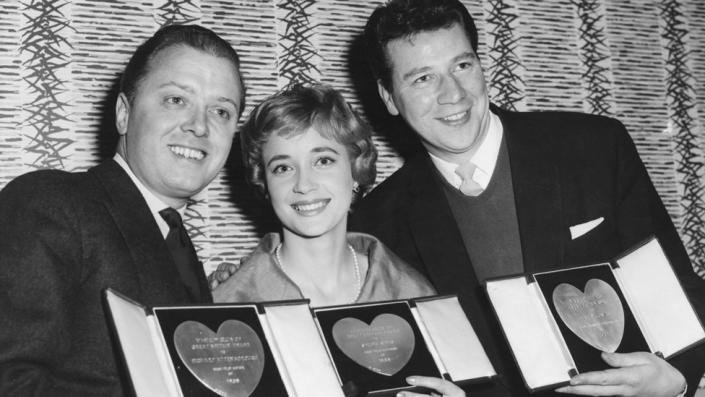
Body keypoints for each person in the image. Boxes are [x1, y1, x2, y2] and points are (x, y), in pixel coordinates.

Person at [349, 1, 705, 396]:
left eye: (462, 66)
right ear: (388, 98)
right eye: (422, 79)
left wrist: (675, 379)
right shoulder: (376, 221)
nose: (452, 94)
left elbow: (679, 287)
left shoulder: (595, 147)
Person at [0, 24, 244, 396]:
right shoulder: (50, 203)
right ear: (123, 114)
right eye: (176, 100)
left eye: (222, 111)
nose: (199, 126)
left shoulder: (175, 241)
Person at [212, 84, 462, 397]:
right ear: (264, 182)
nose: (304, 184)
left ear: (356, 169)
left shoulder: (414, 293)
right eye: (283, 167)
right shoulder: (229, 306)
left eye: (324, 160)